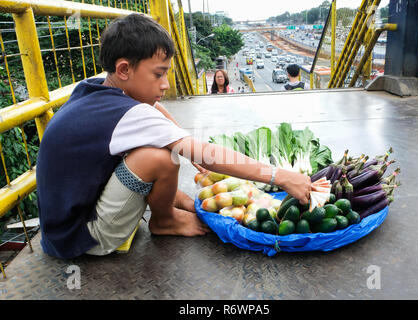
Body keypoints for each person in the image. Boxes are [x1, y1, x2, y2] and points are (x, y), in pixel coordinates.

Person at [36, 13, 311, 260]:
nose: (166, 85)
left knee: (160, 147)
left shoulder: (98, 87)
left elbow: (155, 108)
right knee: (161, 158)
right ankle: (164, 221)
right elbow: (206, 154)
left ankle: (180, 205)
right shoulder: (128, 114)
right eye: (159, 74)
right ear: (124, 70)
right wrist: (281, 176)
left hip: (61, 229)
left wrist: (178, 134)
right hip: (84, 238)